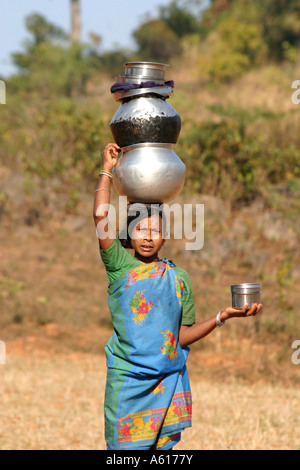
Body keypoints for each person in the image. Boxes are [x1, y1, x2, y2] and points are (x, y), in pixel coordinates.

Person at [93, 143, 263, 451]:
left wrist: (222, 316)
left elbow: (181, 336)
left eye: (155, 230)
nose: (147, 236)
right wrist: (107, 168)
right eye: (140, 229)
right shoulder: (120, 266)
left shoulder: (178, 278)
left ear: (165, 236)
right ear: (129, 234)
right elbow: (99, 216)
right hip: (129, 383)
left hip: (167, 383)